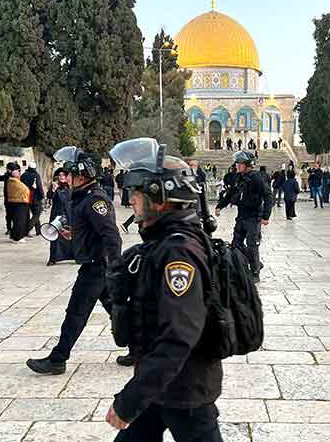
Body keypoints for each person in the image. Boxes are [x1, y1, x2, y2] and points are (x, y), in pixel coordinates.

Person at [104, 137, 223, 442]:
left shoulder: (178, 254)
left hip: (185, 392)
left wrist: (129, 400)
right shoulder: (164, 243)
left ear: (158, 198)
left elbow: (178, 338)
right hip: (162, 387)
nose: (131, 201)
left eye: (137, 193)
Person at [27, 146, 122, 375]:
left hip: (97, 267)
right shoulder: (84, 197)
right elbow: (94, 232)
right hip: (96, 265)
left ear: (82, 175)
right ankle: (142, 349)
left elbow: (111, 236)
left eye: (71, 174)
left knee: (76, 312)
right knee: (117, 308)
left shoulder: (94, 200)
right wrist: (74, 235)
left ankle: (58, 358)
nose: (67, 178)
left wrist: (114, 267)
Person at [215, 151, 272, 283]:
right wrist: (220, 206)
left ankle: (255, 272)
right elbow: (230, 194)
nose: (237, 166)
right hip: (241, 216)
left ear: (247, 165)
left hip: (253, 217)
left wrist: (266, 216)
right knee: (236, 245)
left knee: (252, 245)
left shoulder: (256, 178)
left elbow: (268, 195)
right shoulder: (238, 177)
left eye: (239, 164)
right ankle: (256, 262)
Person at [47, 168, 73, 264]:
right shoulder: (55, 186)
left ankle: (74, 256)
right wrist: (53, 190)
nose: (61, 177)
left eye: (63, 175)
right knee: (55, 236)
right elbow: (49, 197)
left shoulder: (70, 187)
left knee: (70, 235)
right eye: (60, 175)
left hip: (69, 214)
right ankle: (53, 258)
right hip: (57, 214)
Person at [21, 162, 45, 236]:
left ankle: (38, 230)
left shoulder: (23, 175)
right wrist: (42, 196)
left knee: (35, 214)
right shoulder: (36, 175)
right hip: (35, 198)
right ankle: (25, 230)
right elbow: (39, 187)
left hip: (26, 198)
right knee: (37, 214)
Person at [7, 169, 30, 242]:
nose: (20, 174)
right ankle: (18, 237)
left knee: (16, 221)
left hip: (14, 203)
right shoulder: (15, 182)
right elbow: (25, 190)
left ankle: (14, 236)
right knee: (20, 221)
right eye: (18, 173)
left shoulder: (11, 181)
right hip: (20, 203)